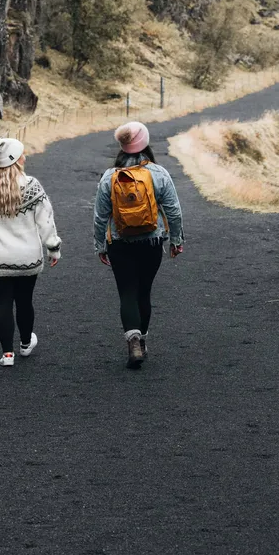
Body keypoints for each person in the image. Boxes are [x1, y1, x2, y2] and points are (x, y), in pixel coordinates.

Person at [93, 121, 184, 369]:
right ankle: (142, 340)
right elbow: (173, 211)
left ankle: (132, 339)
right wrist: (176, 240)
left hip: (120, 243)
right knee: (144, 291)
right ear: (145, 143)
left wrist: (100, 245)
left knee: (127, 292)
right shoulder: (159, 173)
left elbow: (101, 216)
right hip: (151, 242)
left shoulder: (109, 176)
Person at [0, 136, 61, 366]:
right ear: (15, 158)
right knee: (24, 301)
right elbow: (46, 220)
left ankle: (7, 354)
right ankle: (25, 344)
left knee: (2, 303)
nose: (25, 156)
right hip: (27, 257)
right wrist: (53, 247)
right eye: (22, 153)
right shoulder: (31, 185)